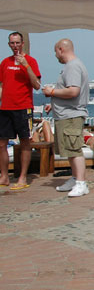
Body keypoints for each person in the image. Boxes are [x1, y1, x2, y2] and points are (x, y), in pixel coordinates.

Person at [43, 39, 90, 197]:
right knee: (69, 150)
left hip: (71, 115)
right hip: (65, 114)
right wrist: (54, 102)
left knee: (74, 149)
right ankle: (75, 178)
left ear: (61, 49)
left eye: (55, 51)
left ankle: (81, 183)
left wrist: (52, 92)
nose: (55, 55)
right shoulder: (71, 67)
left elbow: (73, 91)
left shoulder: (72, 66)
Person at [0, 32, 41, 190]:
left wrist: (26, 66)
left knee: (25, 142)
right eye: (12, 43)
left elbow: (37, 85)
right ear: (9, 44)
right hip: (5, 108)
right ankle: (4, 176)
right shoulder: (4, 62)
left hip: (23, 107)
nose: (15, 46)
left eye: (17, 43)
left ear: (22, 43)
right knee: (2, 143)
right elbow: (2, 86)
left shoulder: (31, 61)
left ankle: (23, 177)